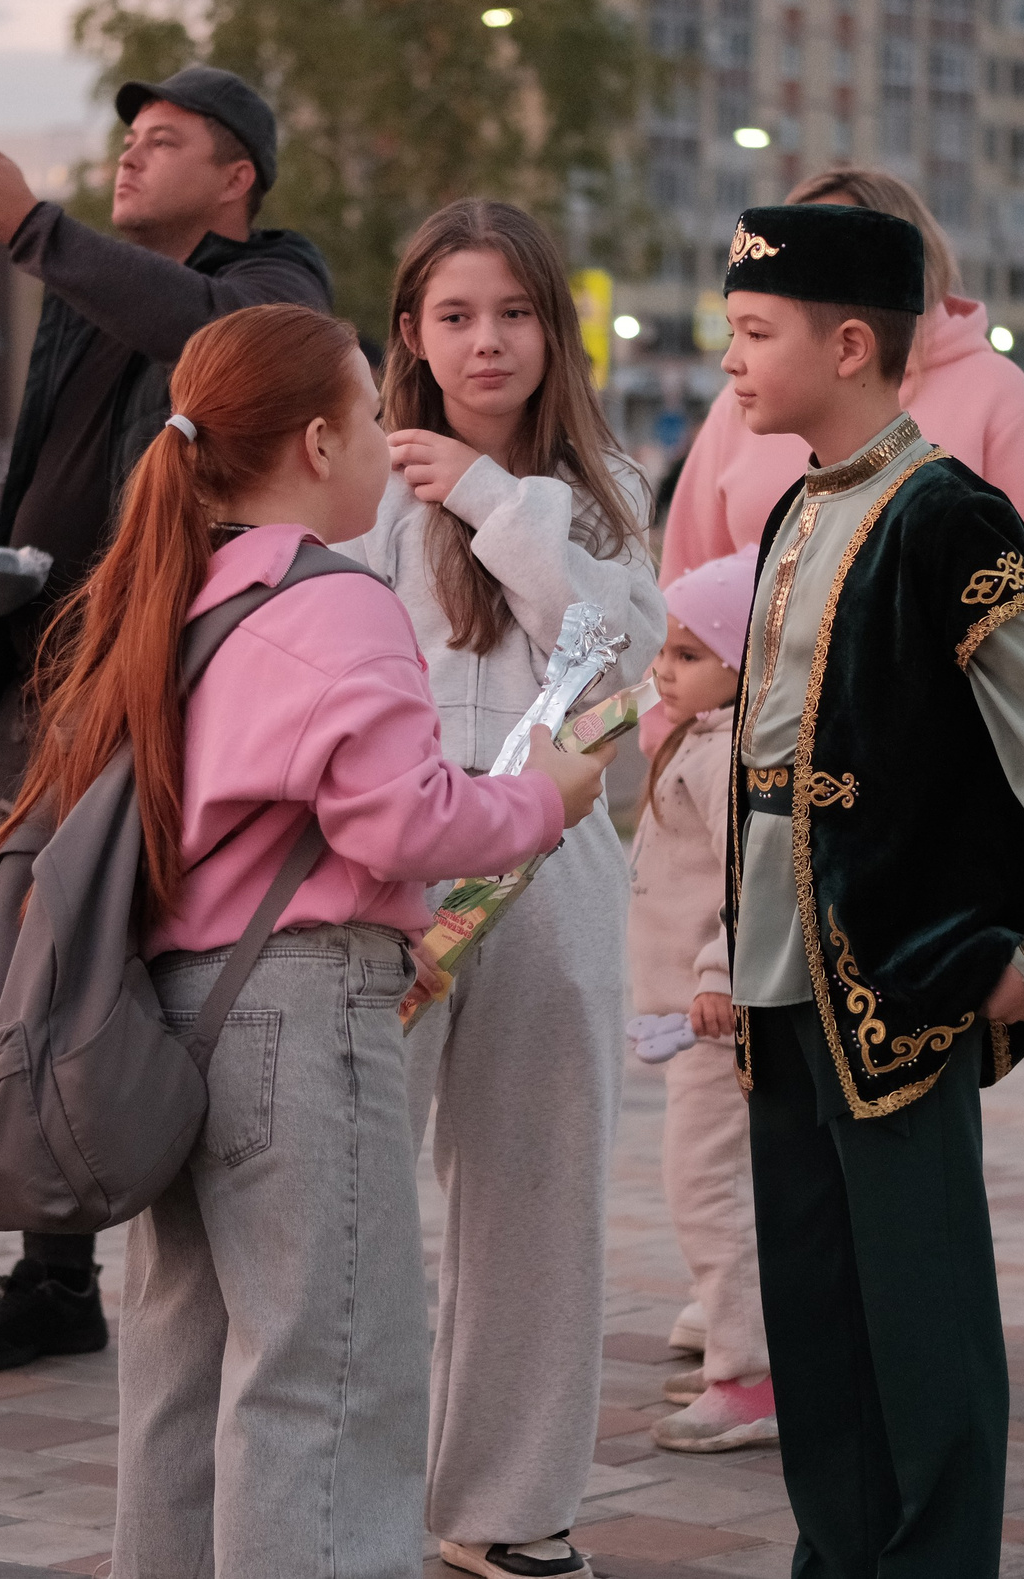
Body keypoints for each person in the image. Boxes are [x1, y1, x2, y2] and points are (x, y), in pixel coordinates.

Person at [0, 303, 612, 1579]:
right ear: (320, 442)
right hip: (300, 1009)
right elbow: (400, 821)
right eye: (376, 417)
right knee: (329, 1372)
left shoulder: (172, 588)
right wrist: (546, 794)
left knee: (184, 1366)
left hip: (170, 1015)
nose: (393, 439)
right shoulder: (333, 602)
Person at [715, 204, 1024, 1575]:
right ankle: (839, 1551)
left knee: (923, 1314)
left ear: (851, 344)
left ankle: (938, 1558)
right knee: (817, 1314)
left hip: (896, 972)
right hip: (784, 989)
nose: (730, 358)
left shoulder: (948, 514)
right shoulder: (792, 505)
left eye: (754, 332)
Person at [0, 65, 332, 1375]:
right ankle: (50, 1264)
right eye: (126, 140)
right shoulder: (87, 293)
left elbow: (208, 329)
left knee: (137, 957)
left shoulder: (277, 282)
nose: (129, 158)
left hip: (170, 685)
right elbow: (44, 464)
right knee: (27, 954)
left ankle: (176, 1235)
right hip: (50, 672)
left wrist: (35, 229)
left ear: (237, 178)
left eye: (165, 142)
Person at [343, 199, 662, 1579]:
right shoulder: (353, 483)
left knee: (537, 1192)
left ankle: (506, 1502)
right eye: (456, 314)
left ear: (556, 326)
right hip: (381, 871)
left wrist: (485, 494)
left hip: (554, 869)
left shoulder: (602, 489)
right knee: (342, 1190)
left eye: (515, 313)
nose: (487, 342)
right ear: (408, 328)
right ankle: (339, 1497)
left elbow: (611, 655)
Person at [658, 166, 1024, 640]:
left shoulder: (997, 395)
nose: (807, 262)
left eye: (835, 242)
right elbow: (682, 590)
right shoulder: (742, 403)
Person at [627, 547, 776, 1455]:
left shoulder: (730, 759)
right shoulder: (703, 739)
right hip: (695, 1016)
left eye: (688, 653)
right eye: (664, 650)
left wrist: (718, 972)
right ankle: (746, 1350)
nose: (663, 669)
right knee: (718, 1186)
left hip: (716, 1017)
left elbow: (751, 872)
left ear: (739, 663)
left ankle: (748, 1377)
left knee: (704, 1188)